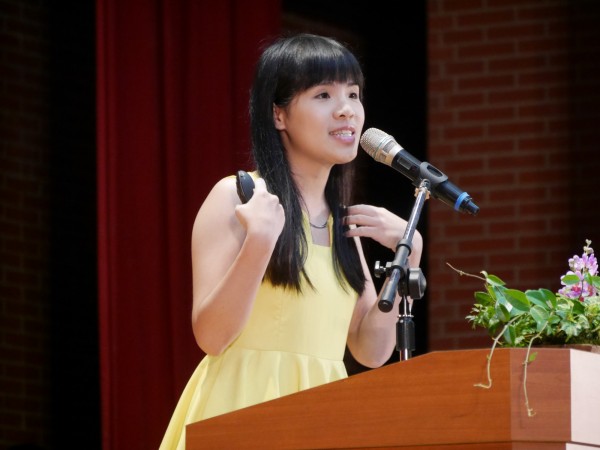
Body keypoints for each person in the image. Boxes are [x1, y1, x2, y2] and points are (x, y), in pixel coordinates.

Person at [159, 33, 423, 449]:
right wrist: (260, 243)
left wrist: (407, 256)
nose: (346, 110)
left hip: (323, 416)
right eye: (323, 95)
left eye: (353, 94)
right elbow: (211, 336)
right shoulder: (239, 197)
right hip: (244, 409)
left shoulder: (341, 225)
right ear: (279, 115)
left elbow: (372, 350)